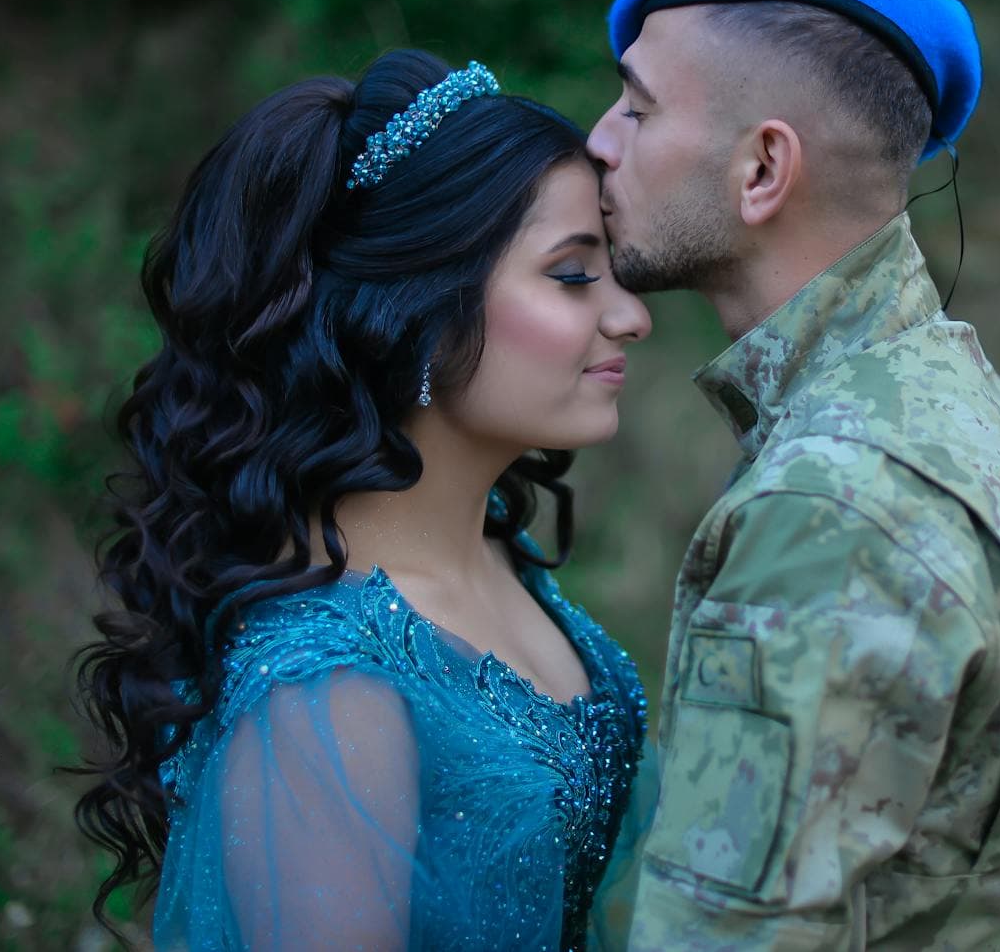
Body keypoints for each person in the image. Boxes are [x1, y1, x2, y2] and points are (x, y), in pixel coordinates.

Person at [587, 0, 1000, 949]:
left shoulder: (833, 505)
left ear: (762, 171)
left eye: (636, 110)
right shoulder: (931, 380)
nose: (596, 137)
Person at [72, 49, 655, 951]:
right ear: (420, 306)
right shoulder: (325, 688)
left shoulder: (494, 546)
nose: (631, 315)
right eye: (574, 274)